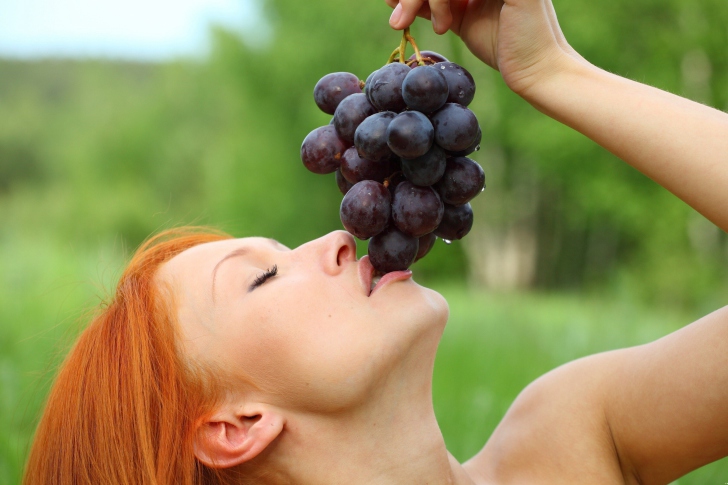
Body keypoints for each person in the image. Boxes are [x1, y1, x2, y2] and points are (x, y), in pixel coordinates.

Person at [24, 0, 728, 483]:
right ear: (236, 424)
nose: (336, 236)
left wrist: (555, 73)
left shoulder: (570, 432)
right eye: (261, 276)